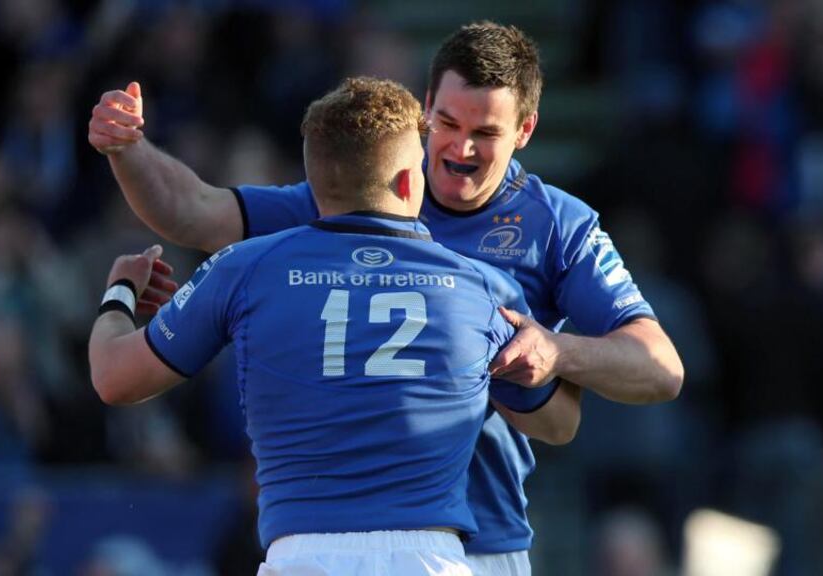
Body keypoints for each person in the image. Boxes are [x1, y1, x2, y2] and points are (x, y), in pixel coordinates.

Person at [88, 21, 683, 576]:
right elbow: (193, 211)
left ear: (525, 131)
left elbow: (660, 368)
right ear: (425, 109)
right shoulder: (364, 190)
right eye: (448, 124)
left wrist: (558, 351)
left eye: (485, 133)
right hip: (398, 542)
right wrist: (128, 147)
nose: (460, 149)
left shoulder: (558, 225)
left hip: (476, 539)